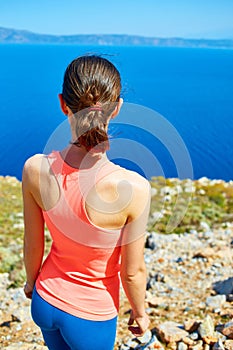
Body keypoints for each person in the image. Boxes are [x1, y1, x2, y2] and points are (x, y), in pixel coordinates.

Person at [22, 55, 151, 350]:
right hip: (91, 316)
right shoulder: (133, 188)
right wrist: (140, 313)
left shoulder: (35, 168)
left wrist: (31, 283)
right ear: (117, 108)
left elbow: (32, 242)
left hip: (44, 300)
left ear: (63, 104)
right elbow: (132, 272)